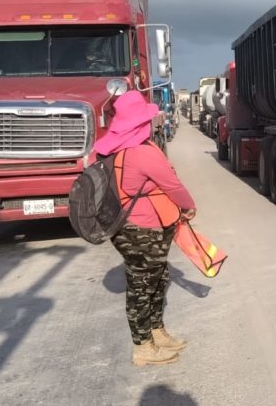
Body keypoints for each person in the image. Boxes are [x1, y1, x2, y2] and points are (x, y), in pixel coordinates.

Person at [94, 90, 197, 366]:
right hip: (141, 228)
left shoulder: (111, 148)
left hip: (130, 227)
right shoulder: (141, 153)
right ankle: (143, 347)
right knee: (142, 286)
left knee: (158, 278)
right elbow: (173, 185)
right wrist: (189, 206)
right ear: (140, 123)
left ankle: (156, 332)